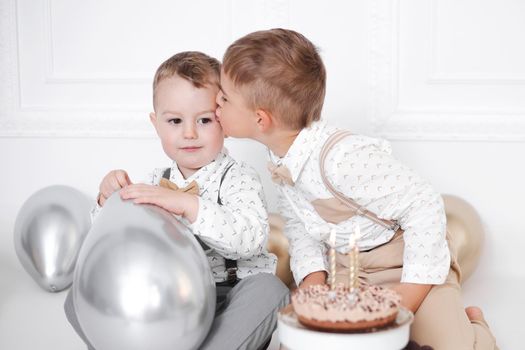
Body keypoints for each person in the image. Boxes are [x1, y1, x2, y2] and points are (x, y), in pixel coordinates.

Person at [215, 28, 498, 349]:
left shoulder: (341, 158)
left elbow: (424, 204)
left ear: (260, 119)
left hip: (404, 263)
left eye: (224, 97)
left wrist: (410, 293)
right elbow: (300, 225)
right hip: (347, 270)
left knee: (449, 345)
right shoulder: (281, 157)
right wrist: (314, 280)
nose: (216, 103)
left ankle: (476, 327)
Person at [64, 51, 288, 350]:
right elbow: (113, 248)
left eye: (205, 120)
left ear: (225, 121)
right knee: (78, 297)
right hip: (166, 305)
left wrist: (187, 205)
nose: (190, 133)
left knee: (269, 290)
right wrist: (108, 202)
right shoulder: (155, 181)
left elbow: (248, 239)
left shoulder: (239, 177)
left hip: (226, 299)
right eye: (175, 121)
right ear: (156, 124)